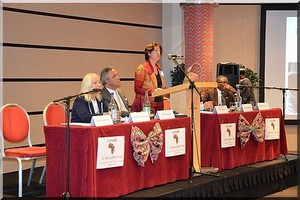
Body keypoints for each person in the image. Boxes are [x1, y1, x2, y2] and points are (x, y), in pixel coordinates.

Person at [130, 42, 168, 113]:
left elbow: (161, 87)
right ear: (149, 53)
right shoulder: (142, 68)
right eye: (156, 50)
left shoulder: (159, 68)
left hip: (159, 104)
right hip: (146, 105)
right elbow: (137, 89)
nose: (158, 53)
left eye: (159, 51)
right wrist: (153, 91)